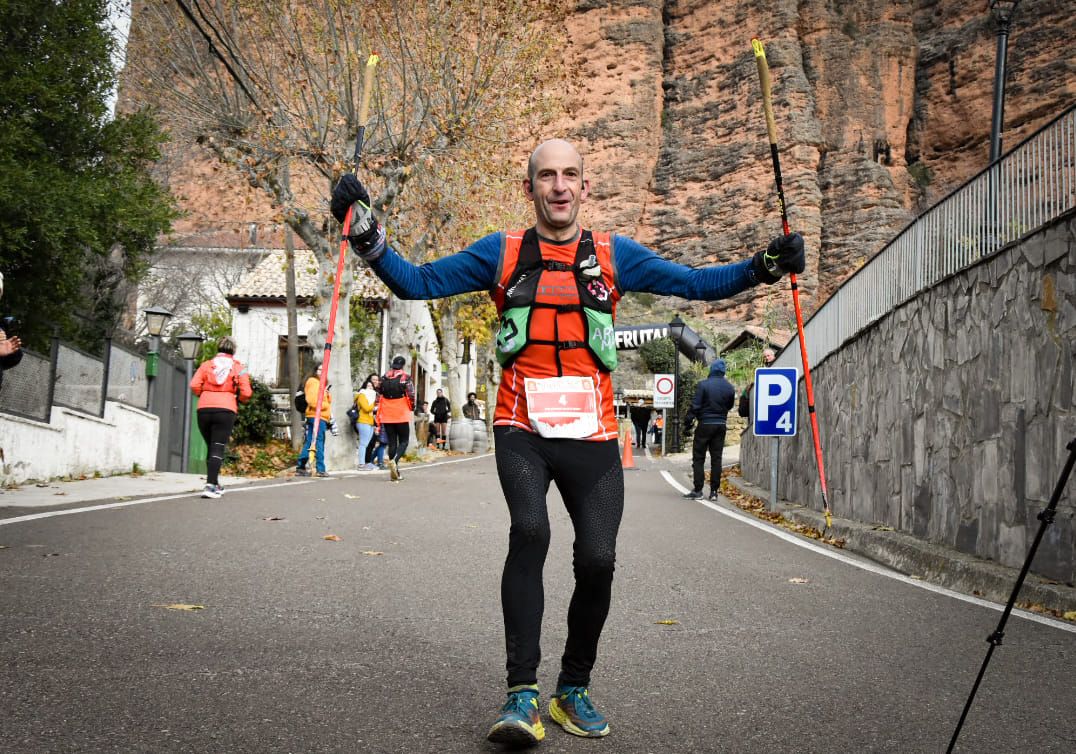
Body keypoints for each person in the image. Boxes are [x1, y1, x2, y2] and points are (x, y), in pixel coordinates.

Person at [330, 137, 805, 744]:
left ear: (585, 187)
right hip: (520, 428)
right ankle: (520, 695)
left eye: (570, 176)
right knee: (530, 532)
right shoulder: (499, 253)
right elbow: (414, 283)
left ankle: (571, 689)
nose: (559, 186)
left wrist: (766, 263)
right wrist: (364, 229)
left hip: (595, 435)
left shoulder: (615, 254)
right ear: (528, 189)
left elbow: (695, 283)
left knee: (598, 560)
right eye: (546, 176)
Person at [189, 336, 253, 499]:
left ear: (218, 348)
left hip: (204, 408)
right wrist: (238, 399)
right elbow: (246, 392)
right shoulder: (239, 368)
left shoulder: (206, 365)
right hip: (225, 408)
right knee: (217, 447)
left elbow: (194, 385)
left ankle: (215, 483)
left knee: (211, 447)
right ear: (233, 350)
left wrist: (204, 394)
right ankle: (210, 486)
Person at [683, 358, 736, 501]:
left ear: (711, 370)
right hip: (721, 425)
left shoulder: (703, 385)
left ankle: (698, 490)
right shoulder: (729, 387)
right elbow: (729, 406)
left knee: (699, 457)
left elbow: (695, 406)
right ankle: (714, 492)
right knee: (716, 459)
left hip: (705, 424)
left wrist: (687, 422)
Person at [379, 355, 415, 481]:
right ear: (403, 365)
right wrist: (412, 407)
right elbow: (411, 394)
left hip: (387, 412)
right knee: (404, 440)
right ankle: (394, 460)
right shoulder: (405, 378)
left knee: (392, 442)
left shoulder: (384, 377)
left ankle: (395, 471)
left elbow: (379, 392)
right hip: (400, 411)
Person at [296, 363, 334, 477]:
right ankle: (320, 468)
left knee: (310, 441)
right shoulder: (313, 382)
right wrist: (326, 406)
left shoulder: (320, 384)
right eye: (319, 369)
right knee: (319, 441)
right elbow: (312, 401)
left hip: (319, 416)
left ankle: (301, 466)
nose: (322, 372)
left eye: (324, 370)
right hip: (317, 416)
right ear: (315, 370)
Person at [738, 346, 777, 421]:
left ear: (773, 355)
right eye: (765, 356)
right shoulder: (761, 369)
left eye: (768, 356)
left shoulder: (778, 364)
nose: (767, 358)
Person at [355, 374, 379, 470]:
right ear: (364, 386)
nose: (370, 387)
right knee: (363, 443)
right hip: (362, 420)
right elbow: (366, 408)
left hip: (370, 422)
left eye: (371, 386)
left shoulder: (373, 397)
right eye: (368, 386)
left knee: (367, 443)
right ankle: (361, 464)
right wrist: (374, 406)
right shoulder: (362, 395)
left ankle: (364, 463)